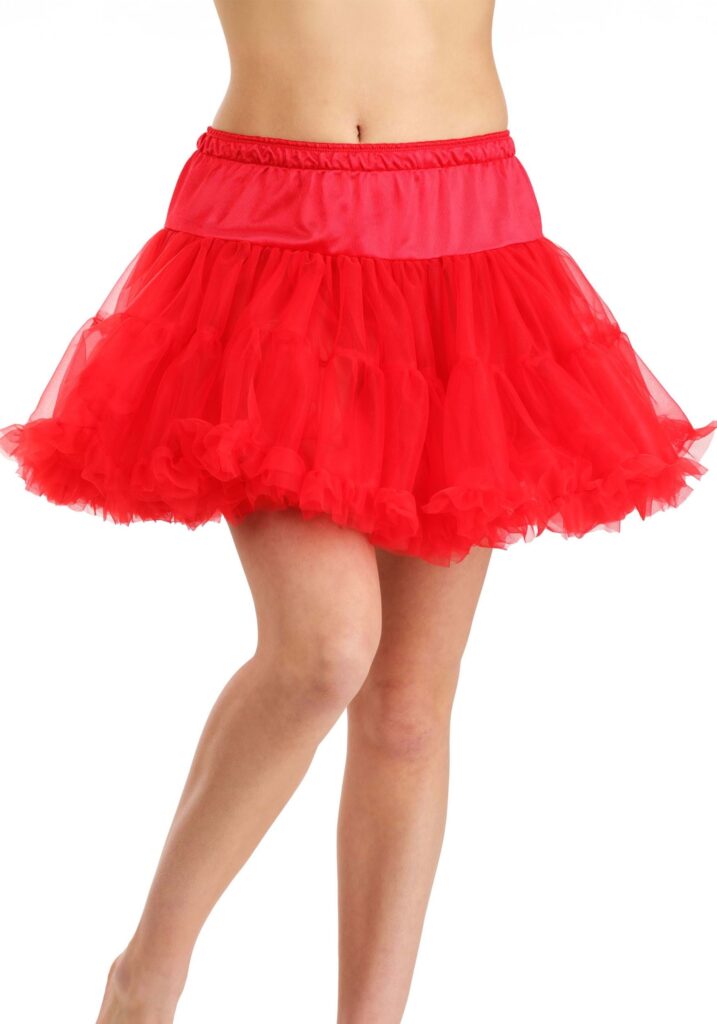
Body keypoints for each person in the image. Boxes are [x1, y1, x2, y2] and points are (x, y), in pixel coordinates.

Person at [0, 2, 714, 1022]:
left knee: (409, 713)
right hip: (271, 233)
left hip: (466, 238)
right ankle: (146, 978)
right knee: (325, 647)